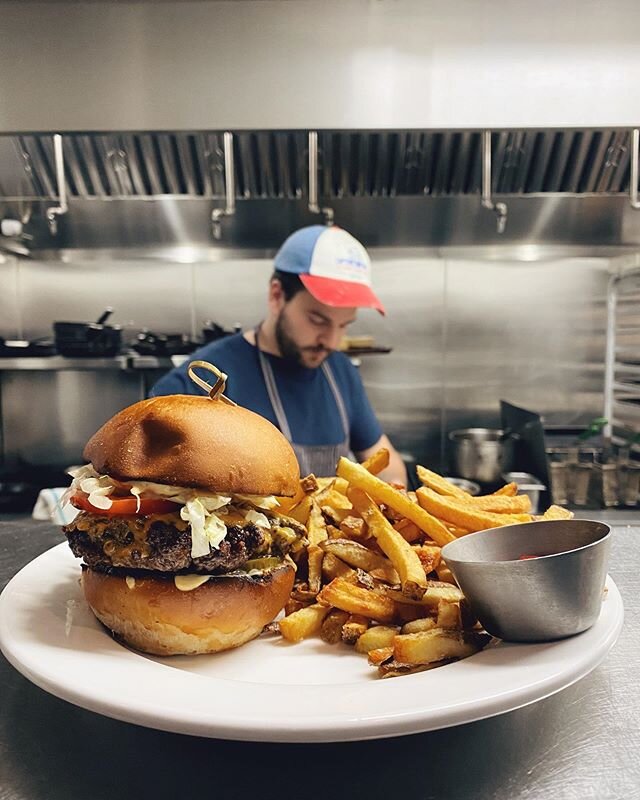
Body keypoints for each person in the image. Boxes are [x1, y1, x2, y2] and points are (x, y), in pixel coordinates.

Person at [151, 225, 407, 485]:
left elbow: (389, 466)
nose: (331, 341)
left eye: (344, 325)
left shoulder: (341, 372)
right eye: (317, 320)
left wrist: (395, 497)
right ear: (276, 296)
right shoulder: (201, 380)